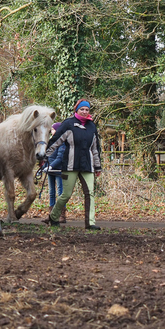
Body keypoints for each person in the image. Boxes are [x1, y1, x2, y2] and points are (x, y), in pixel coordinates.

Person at [44, 98, 102, 230]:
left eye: (87, 110)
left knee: (90, 194)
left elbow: (95, 148)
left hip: (87, 166)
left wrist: (98, 166)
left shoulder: (92, 127)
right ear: (77, 110)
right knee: (66, 194)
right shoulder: (68, 124)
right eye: (82, 109)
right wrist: (45, 156)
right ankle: (53, 216)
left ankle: (90, 223)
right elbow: (55, 141)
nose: (84, 111)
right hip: (70, 165)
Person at [45, 122, 66, 223]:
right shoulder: (50, 142)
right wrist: (45, 166)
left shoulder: (62, 142)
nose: (51, 131)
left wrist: (51, 166)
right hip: (50, 171)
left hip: (58, 171)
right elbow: (47, 156)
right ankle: (51, 215)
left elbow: (60, 157)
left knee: (60, 192)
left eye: (53, 129)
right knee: (51, 192)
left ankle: (61, 214)